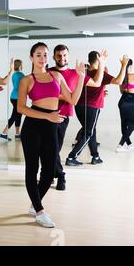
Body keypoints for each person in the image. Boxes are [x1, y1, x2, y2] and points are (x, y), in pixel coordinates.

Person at [18, 42, 85, 228]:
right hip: (33, 126)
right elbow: (21, 107)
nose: (42, 58)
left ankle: (35, 202)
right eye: (38, 55)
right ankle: (39, 211)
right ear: (31, 57)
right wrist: (48, 116)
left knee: (49, 171)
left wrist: (81, 78)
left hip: (51, 126)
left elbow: (72, 99)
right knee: (32, 169)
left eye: (45, 55)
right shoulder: (27, 80)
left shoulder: (56, 75)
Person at [46, 45, 107, 190]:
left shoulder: (75, 73)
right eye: (59, 55)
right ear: (54, 57)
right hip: (46, 115)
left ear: (68, 56)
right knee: (49, 149)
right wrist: (66, 96)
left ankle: (54, 175)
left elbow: (97, 83)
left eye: (65, 55)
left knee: (54, 148)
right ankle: (56, 176)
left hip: (63, 116)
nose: (62, 58)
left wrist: (102, 64)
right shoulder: (48, 73)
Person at [66, 52, 129, 166]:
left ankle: (95, 156)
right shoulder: (100, 74)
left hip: (78, 107)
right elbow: (119, 81)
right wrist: (124, 65)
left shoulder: (83, 72)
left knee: (91, 130)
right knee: (88, 132)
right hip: (92, 107)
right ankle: (71, 157)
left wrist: (100, 92)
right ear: (98, 60)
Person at [0, 59, 25, 141]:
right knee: (14, 116)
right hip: (18, 98)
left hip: (13, 97)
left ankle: (18, 134)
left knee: (18, 115)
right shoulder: (21, 75)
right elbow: (24, 86)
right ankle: (4, 133)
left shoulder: (14, 75)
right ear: (20, 66)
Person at [117, 59, 134, 152]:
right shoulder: (133, 76)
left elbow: (121, 91)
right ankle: (120, 144)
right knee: (132, 124)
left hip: (122, 101)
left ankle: (129, 144)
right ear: (131, 66)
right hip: (132, 102)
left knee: (124, 123)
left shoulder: (121, 77)